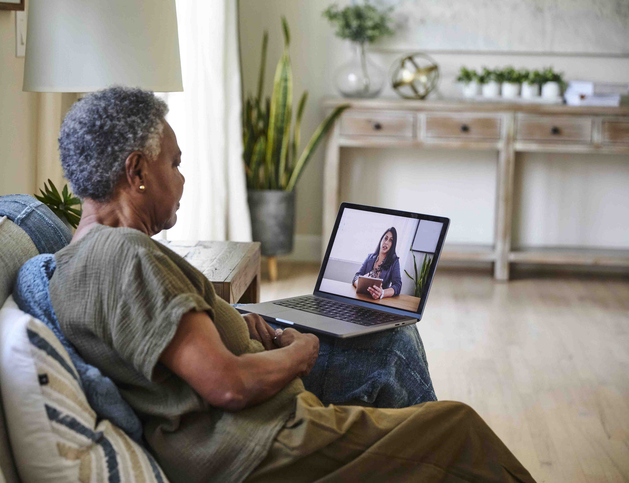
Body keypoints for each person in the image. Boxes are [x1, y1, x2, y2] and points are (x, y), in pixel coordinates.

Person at [48, 87, 534, 482]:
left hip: (254, 430)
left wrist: (234, 323)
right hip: (262, 444)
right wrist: (300, 350)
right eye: (174, 164)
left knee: (390, 344)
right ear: (136, 172)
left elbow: (163, 345)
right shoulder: (125, 255)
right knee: (457, 426)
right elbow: (229, 386)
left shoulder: (77, 256)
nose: (182, 179)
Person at [353, 227, 402, 300]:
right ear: (381, 240)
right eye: (385, 238)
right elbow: (356, 276)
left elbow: (397, 286)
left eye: (390, 240)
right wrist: (360, 284)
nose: (386, 242)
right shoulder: (370, 257)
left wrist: (382, 293)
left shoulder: (394, 262)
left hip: (378, 301)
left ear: (392, 245)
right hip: (362, 297)